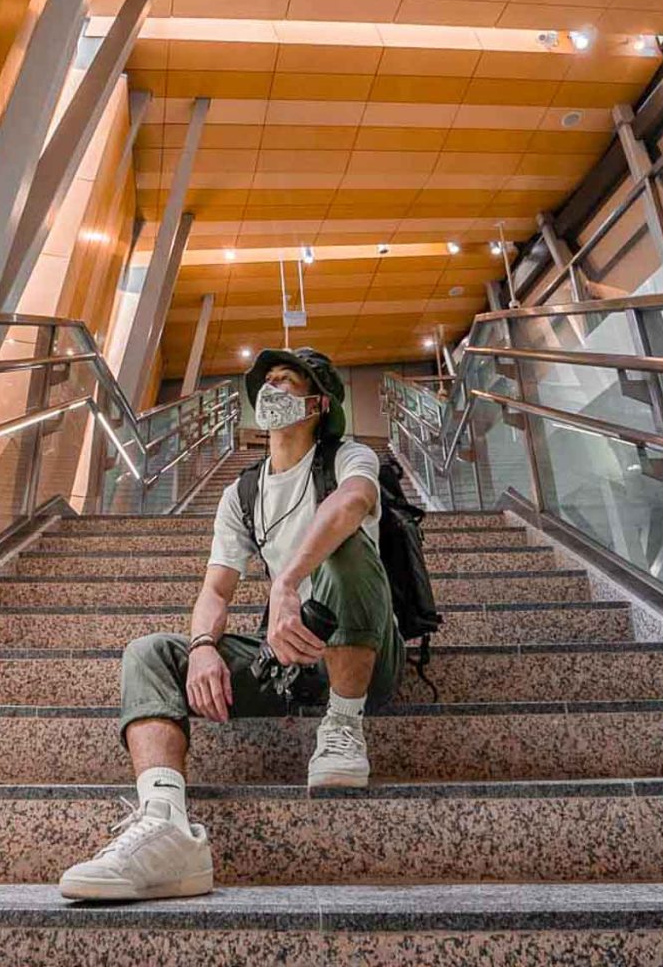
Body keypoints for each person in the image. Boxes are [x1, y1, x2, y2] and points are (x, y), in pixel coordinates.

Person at [59, 348, 404, 901]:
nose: (271, 391)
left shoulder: (348, 457)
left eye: (287, 383)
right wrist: (200, 648)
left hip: (366, 651)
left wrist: (285, 583)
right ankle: (166, 824)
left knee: (345, 553)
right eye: (267, 381)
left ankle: (343, 725)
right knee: (151, 653)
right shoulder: (240, 494)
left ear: (318, 402)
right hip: (292, 656)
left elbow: (354, 502)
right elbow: (216, 590)